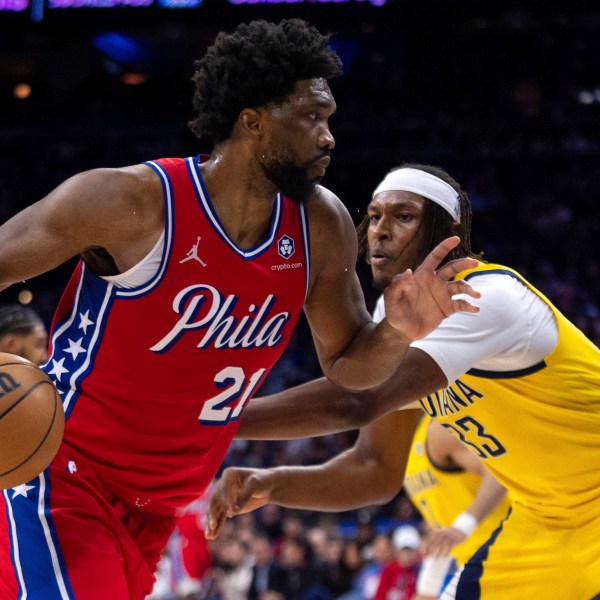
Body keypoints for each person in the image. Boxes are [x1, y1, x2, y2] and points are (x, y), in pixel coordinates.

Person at [0, 19, 479, 599]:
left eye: (329, 119)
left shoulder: (320, 225)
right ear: (252, 122)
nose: (329, 137)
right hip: (65, 477)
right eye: (312, 117)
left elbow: (353, 369)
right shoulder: (128, 202)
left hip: (158, 509)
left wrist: (399, 331)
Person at [206, 163, 600, 599]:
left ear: (445, 231)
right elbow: (373, 469)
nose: (381, 230)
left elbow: (356, 401)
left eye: (404, 216)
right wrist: (271, 483)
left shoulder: (483, 299)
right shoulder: (390, 325)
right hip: (549, 520)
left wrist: (211, 418)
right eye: (374, 216)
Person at [404, 416, 509, 599]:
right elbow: (442, 529)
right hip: (473, 562)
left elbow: (500, 473)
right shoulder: (401, 455)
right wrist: (427, 589)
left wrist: (463, 525)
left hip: (504, 551)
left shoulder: (439, 429)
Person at [374, 526, 421, 600]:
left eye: (410, 551)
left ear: (416, 551)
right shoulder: (389, 569)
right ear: (397, 551)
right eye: (404, 551)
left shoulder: (419, 570)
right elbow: (380, 595)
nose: (407, 555)